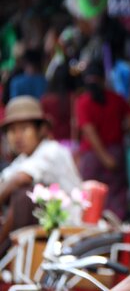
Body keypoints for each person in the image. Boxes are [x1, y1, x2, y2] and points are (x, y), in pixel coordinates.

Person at [0, 96, 82, 256]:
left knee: (23, 196)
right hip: (44, 229)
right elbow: (5, 180)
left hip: (68, 226)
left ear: (40, 130)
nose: (17, 136)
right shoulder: (22, 159)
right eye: (12, 131)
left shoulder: (52, 150)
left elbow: (21, 178)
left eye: (24, 129)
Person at [75, 60, 130, 220]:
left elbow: (89, 132)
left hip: (92, 157)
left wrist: (103, 157)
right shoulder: (116, 99)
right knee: (116, 198)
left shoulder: (83, 102)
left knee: (91, 199)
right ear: (104, 79)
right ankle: (115, 235)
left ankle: (94, 236)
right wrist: (118, 130)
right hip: (114, 154)